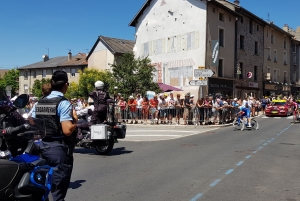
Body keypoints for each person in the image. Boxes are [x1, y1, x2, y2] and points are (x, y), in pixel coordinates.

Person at [31, 70, 78, 201]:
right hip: (58, 149)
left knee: (41, 187)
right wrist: (75, 120)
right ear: (66, 85)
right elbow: (67, 130)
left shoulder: (39, 102)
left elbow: (31, 121)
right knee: (57, 191)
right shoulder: (63, 103)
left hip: (40, 146)